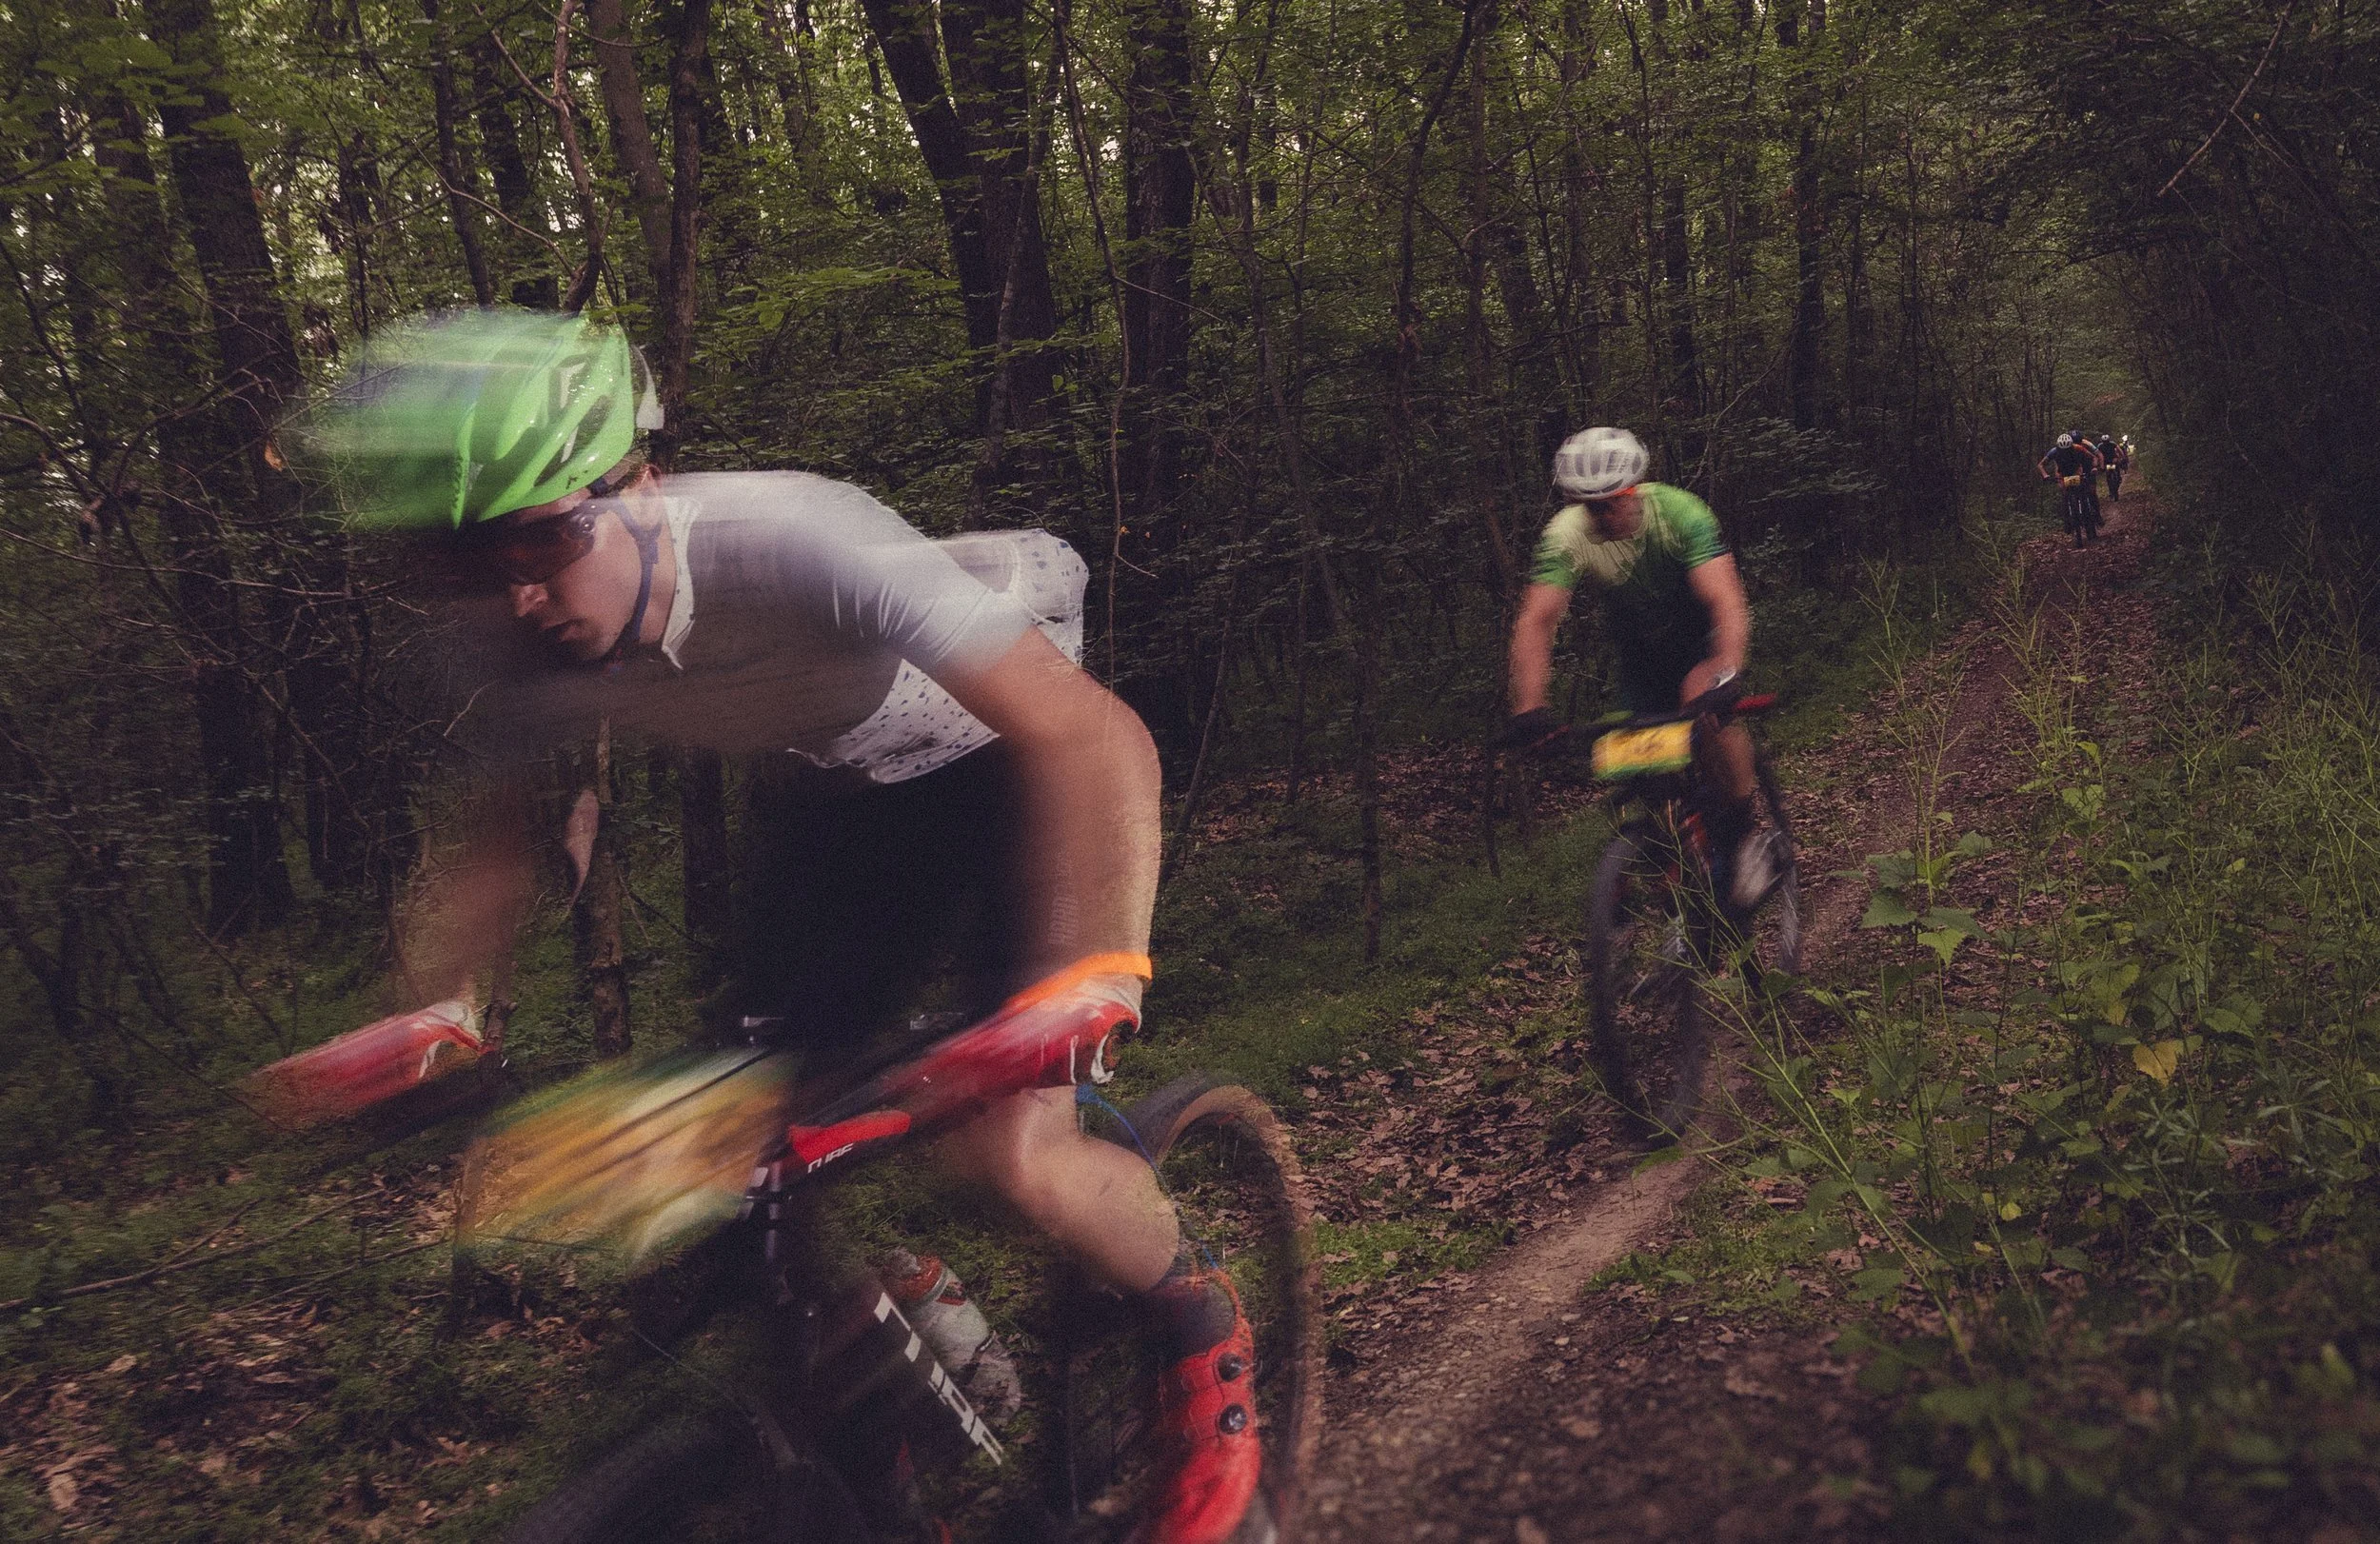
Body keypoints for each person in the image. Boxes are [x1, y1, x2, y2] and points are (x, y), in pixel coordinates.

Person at [304, 309, 1262, 1544]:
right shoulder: (511, 631)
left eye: (545, 532)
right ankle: (903, 1339)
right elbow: (494, 842)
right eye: (468, 563)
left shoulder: (796, 536)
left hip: (1005, 751)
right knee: (732, 1146)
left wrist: (1096, 978)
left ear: (636, 482)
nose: (522, 591)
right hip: (840, 789)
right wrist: (430, 1014)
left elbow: (1095, 736)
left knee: (1011, 1151)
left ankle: (1204, 1337)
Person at [1497, 426, 1775, 910]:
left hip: (1700, 639)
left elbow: (1725, 600)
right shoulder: (1567, 535)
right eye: (1590, 505)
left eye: (1612, 501)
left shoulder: (1680, 513)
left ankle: (1745, 830)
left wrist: (1727, 671)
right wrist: (1529, 708)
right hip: (1640, 656)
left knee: (1703, 703)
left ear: (1634, 489)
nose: (1601, 514)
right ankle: (1673, 873)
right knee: (1642, 764)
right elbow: (1537, 621)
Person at [2039, 432, 2103, 546]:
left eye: (2067, 449)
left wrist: (2094, 467)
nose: (2065, 452)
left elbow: (2093, 457)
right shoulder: (2054, 451)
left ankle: (2089, 515)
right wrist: (2045, 475)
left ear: (2071, 446)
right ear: (2059, 448)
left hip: (2076, 471)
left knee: (2084, 493)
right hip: (2063, 473)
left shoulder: (2078, 448)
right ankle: (2067, 521)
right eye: (2062, 450)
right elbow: (2041, 465)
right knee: (2064, 495)